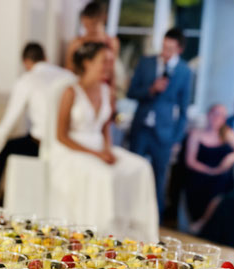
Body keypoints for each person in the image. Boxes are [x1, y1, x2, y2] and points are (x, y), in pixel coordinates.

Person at [48, 42, 158, 239]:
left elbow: (105, 127)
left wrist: (107, 149)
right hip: (72, 149)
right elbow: (60, 136)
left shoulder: (107, 91)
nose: (109, 66)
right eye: (104, 61)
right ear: (88, 62)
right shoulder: (71, 92)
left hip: (100, 146)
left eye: (110, 61)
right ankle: (101, 236)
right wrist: (97, 154)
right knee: (103, 175)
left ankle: (139, 234)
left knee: (141, 167)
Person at [0, 42, 72, 206]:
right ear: (46, 58)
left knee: (5, 148)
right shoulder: (68, 76)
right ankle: (5, 195)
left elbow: (9, 121)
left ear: (26, 63)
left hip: (40, 144)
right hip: (67, 143)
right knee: (16, 144)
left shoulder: (27, 80)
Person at [128, 28, 192, 218]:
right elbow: (131, 92)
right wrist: (151, 89)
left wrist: (176, 139)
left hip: (164, 134)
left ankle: (155, 221)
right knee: (133, 173)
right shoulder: (146, 62)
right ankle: (130, 213)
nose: (165, 52)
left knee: (159, 179)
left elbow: (183, 110)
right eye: (164, 47)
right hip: (140, 129)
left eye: (170, 49)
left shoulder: (185, 71)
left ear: (179, 50)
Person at [184, 104, 234, 234]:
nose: (217, 118)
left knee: (222, 183)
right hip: (201, 173)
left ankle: (203, 222)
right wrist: (209, 171)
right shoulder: (196, 134)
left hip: (221, 176)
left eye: (221, 115)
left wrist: (231, 157)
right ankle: (198, 221)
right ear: (208, 115)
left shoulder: (227, 134)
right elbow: (190, 161)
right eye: (215, 114)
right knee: (199, 183)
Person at [65, 1, 123, 97]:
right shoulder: (76, 43)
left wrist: (112, 94)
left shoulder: (112, 42)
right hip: (83, 91)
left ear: (103, 18)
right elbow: (69, 72)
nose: (89, 29)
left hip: (104, 91)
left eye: (93, 24)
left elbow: (112, 71)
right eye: (86, 25)